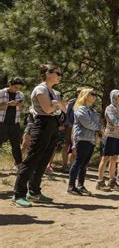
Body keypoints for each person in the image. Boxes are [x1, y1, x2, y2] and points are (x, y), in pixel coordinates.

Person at [13, 64, 67, 208]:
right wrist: (57, 104)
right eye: (58, 73)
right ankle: (18, 194)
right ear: (48, 73)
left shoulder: (54, 92)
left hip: (53, 126)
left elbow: (64, 110)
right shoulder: (41, 89)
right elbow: (48, 109)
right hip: (42, 125)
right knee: (31, 160)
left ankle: (34, 192)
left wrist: (57, 104)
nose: (60, 76)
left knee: (43, 161)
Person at [67, 88, 102, 196]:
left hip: (91, 139)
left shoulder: (92, 110)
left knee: (84, 164)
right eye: (92, 94)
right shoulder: (80, 109)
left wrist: (98, 130)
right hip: (82, 138)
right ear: (85, 95)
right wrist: (99, 129)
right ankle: (71, 187)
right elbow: (87, 123)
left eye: (95, 94)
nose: (94, 96)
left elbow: (96, 123)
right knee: (78, 162)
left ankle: (80, 186)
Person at [96, 90, 119, 191]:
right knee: (105, 158)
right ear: (114, 97)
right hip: (109, 136)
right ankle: (100, 182)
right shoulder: (109, 108)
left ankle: (112, 180)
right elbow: (114, 121)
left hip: (118, 136)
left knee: (114, 158)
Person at [0, 77, 25, 167]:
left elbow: (21, 109)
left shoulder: (21, 94)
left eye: (19, 88)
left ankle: (19, 164)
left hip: (15, 123)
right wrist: (8, 104)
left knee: (16, 144)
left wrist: (20, 105)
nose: (17, 90)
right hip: (2, 123)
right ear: (10, 84)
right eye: (15, 87)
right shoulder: (1, 92)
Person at [62, 88, 82, 172]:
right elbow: (66, 112)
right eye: (79, 92)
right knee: (66, 145)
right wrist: (68, 123)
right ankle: (64, 166)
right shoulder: (72, 102)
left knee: (76, 147)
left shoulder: (84, 102)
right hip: (70, 126)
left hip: (79, 127)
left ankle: (72, 167)